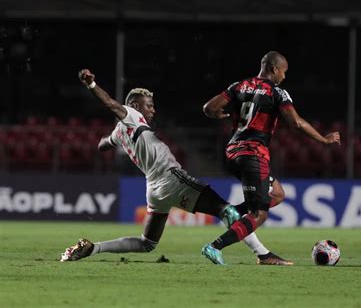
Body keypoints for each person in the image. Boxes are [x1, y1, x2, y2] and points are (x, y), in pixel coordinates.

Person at [60, 69, 260, 262]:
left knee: (147, 243)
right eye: (149, 105)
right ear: (136, 107)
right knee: (228, 211)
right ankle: (262, 253)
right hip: (171, 178)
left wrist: (110, 140)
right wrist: (91, 84)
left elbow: (102, 145)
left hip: (154, 189)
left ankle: (94, 248)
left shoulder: (121, 131)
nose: (153, 110)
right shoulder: (131, 114)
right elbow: (111, 104)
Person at [201, 51, 341, 265]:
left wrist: (217, 114)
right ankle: (214, 246)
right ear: (274, 69)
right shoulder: (277, 92)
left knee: (276, 194)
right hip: (253, 154)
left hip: (232, 152)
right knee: (259, 215)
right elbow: (296, 123)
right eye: (284, 72)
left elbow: (209, 108)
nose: (284, 77)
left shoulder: (239, 85)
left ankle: (232, 213)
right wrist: (323, 139)